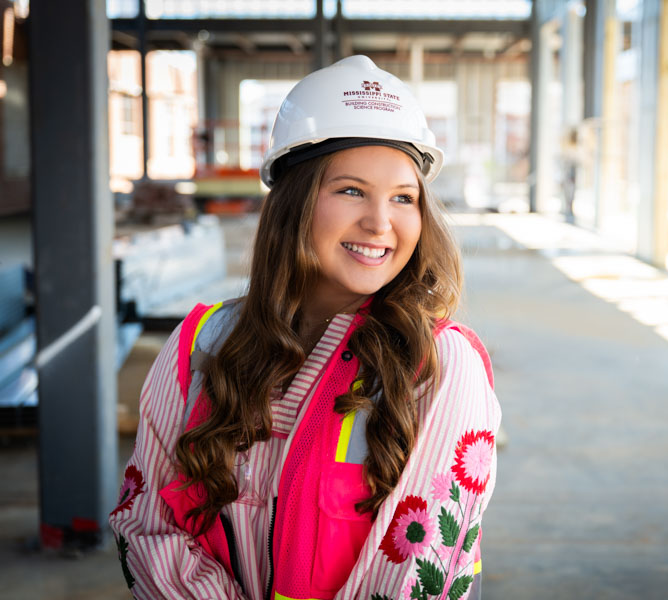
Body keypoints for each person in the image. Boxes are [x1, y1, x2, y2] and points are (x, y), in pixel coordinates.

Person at [109, 55, 501, 600]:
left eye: (403, 198)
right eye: (350, 190)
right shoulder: (202, 346)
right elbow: (148, 524)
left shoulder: (436, 366)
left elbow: (421, 576)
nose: (380, 222)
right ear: (292, 203)